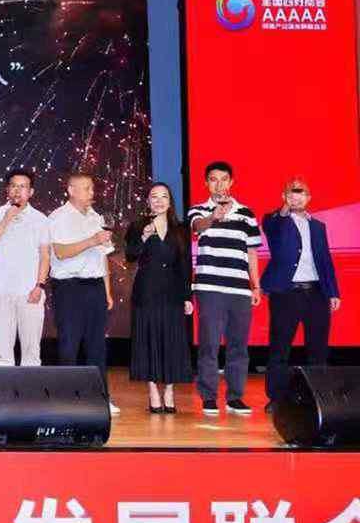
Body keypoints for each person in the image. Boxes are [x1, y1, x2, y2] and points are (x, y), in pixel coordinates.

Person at [187, 160, 262, 419]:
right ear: (206, 183)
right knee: (209, 344)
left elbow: (252, 252)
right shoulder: (198, 210)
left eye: (223, 179)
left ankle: (235, 397)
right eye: (213, 179)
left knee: (238, 346)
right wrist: (213, 217)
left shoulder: (246, 213)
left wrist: (256, 286)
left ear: (231, 182)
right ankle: (208, 396)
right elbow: (197, 227)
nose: (218, 184)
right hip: (209, 288)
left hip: (240, 289)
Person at [261, 176, 341, 401]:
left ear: (309, 197)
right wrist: (286, 207)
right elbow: (274, 224)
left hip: (316, 293)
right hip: (286, 293)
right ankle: (276, 398)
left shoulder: (318, 226)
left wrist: (333, 291)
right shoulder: (275, 221)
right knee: (280, 348)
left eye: (301, 193)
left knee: (318, 349)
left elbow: (325, 260)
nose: (296, 197)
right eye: (291, 193)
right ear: (284, 197)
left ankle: (318, 398)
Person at [46, 169, 119, 412]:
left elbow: (103, 257)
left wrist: (107, 291)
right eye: (87, 188)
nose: (91, 192)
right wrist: (92, 240)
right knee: (69, 344)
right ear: (71, 190)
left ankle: (100, 398)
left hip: (95, 285)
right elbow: (60, 252)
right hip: (69, 287)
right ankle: (67, 398)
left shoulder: (96, 217)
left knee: (97, 345)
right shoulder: (58, 217)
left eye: (92, 188)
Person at [124, 184, 193, 413]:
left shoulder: (180, 229)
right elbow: (130, 256)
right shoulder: (137, 226)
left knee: (172, 340)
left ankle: (169, 390)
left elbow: (185, 264)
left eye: (164, 196)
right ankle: (153, 390)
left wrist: (187, 296)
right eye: (154, 197)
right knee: (148, 340)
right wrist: (144, 236)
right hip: (147, 290)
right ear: (148, 201)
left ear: (170, 201)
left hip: (173, 292)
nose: (159, 201)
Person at [0, 171, 50, 365]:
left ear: (31, 192)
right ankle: (4, 386)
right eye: (13, 186)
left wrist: (39, 285)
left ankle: (31, 385)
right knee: (3, 352)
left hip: (30, 291)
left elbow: (45, 256)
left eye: (23, 186)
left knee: (31, 351)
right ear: (7, 189)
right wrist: (6, 219)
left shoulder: (40, 219)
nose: (17, 191)